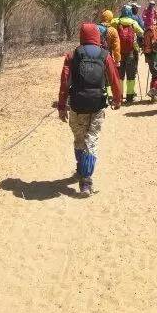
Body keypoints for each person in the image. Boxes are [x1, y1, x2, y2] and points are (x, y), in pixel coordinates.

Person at [57, 23, 122, 196]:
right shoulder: (104, 55)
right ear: (97, 36)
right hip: (97, 105)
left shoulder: (72, 55)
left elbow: (65, 82)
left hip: (77, 105)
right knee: (91, 140)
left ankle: (80, 169)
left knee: (79, 139)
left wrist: (62, 106)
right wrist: (117, 98)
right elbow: (114, 78)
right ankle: (86, 181)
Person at [113, 5, 142, 104]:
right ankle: (129, 96)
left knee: (120, 75)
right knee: (131, 75)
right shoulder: (133, 23)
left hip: (119, 52)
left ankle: (120, 96)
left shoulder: (116, 22)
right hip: (131, 52)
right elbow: (141, 33)